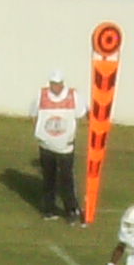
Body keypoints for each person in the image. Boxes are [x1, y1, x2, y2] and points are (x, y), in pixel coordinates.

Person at [33, 69, 81, 220]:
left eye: (58, 84)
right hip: (46, 146)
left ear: (62, 84)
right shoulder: (42, 95)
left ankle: (71, 210)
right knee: (48, 178)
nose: (55, 87)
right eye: (53, 84)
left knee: (66, 179)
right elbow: (34, 114)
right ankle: (48, 209)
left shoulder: (73, 96)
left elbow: (80, 114)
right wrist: (40, 134)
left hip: (65, 146)